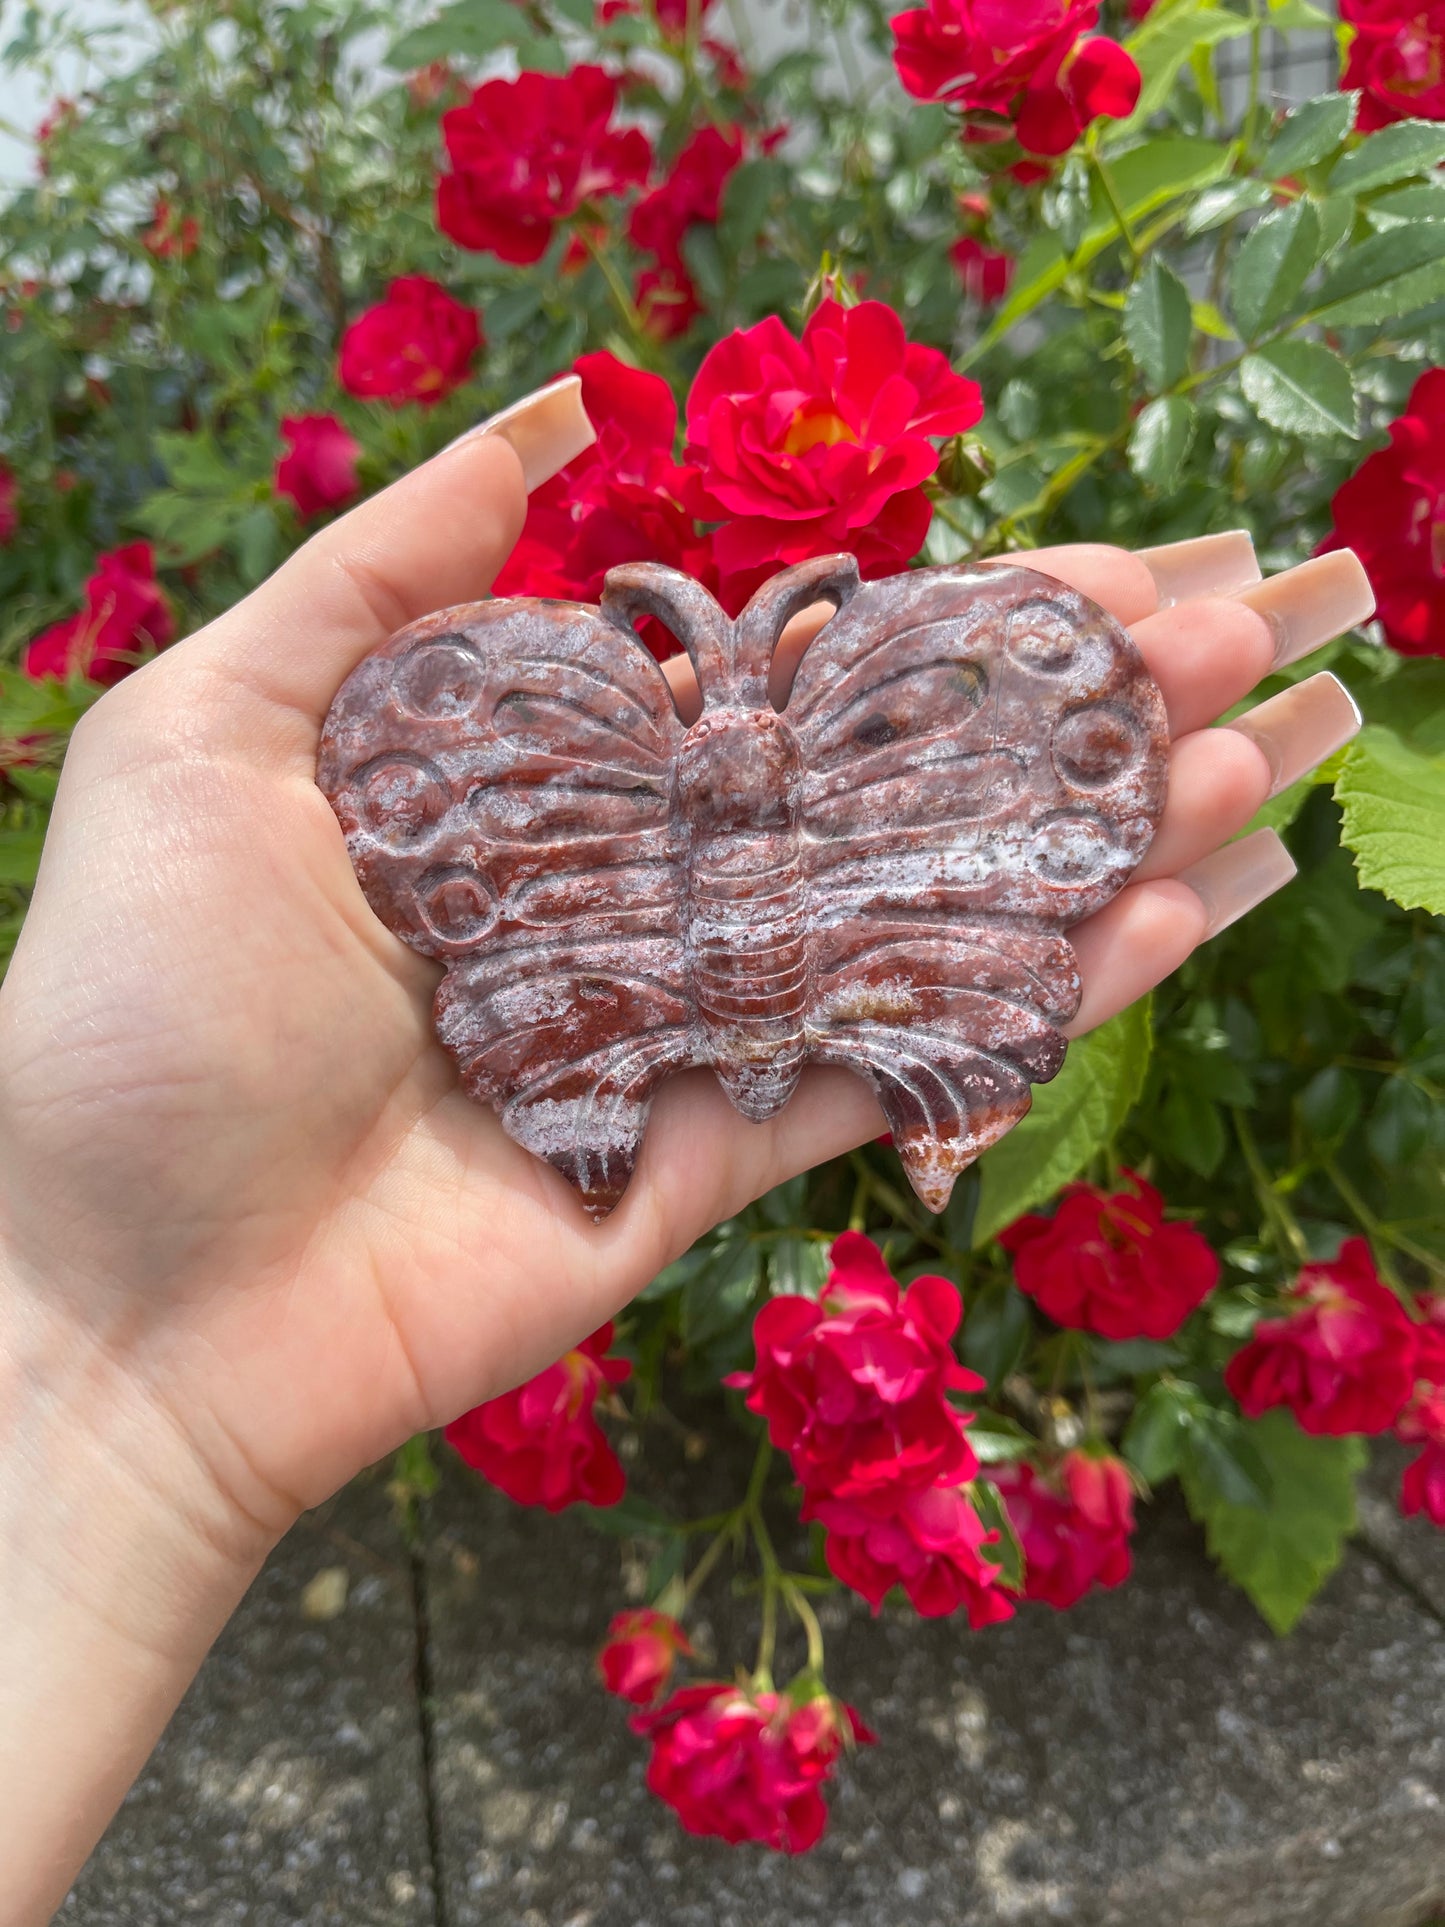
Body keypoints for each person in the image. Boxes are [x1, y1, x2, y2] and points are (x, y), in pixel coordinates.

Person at [0, 376, 1372, 1923]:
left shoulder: (514, 709)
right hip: (860, 948)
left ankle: (702, 1103)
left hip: (601, 990)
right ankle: (918, 1089)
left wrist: (70, 1355)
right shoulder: (924, 697)